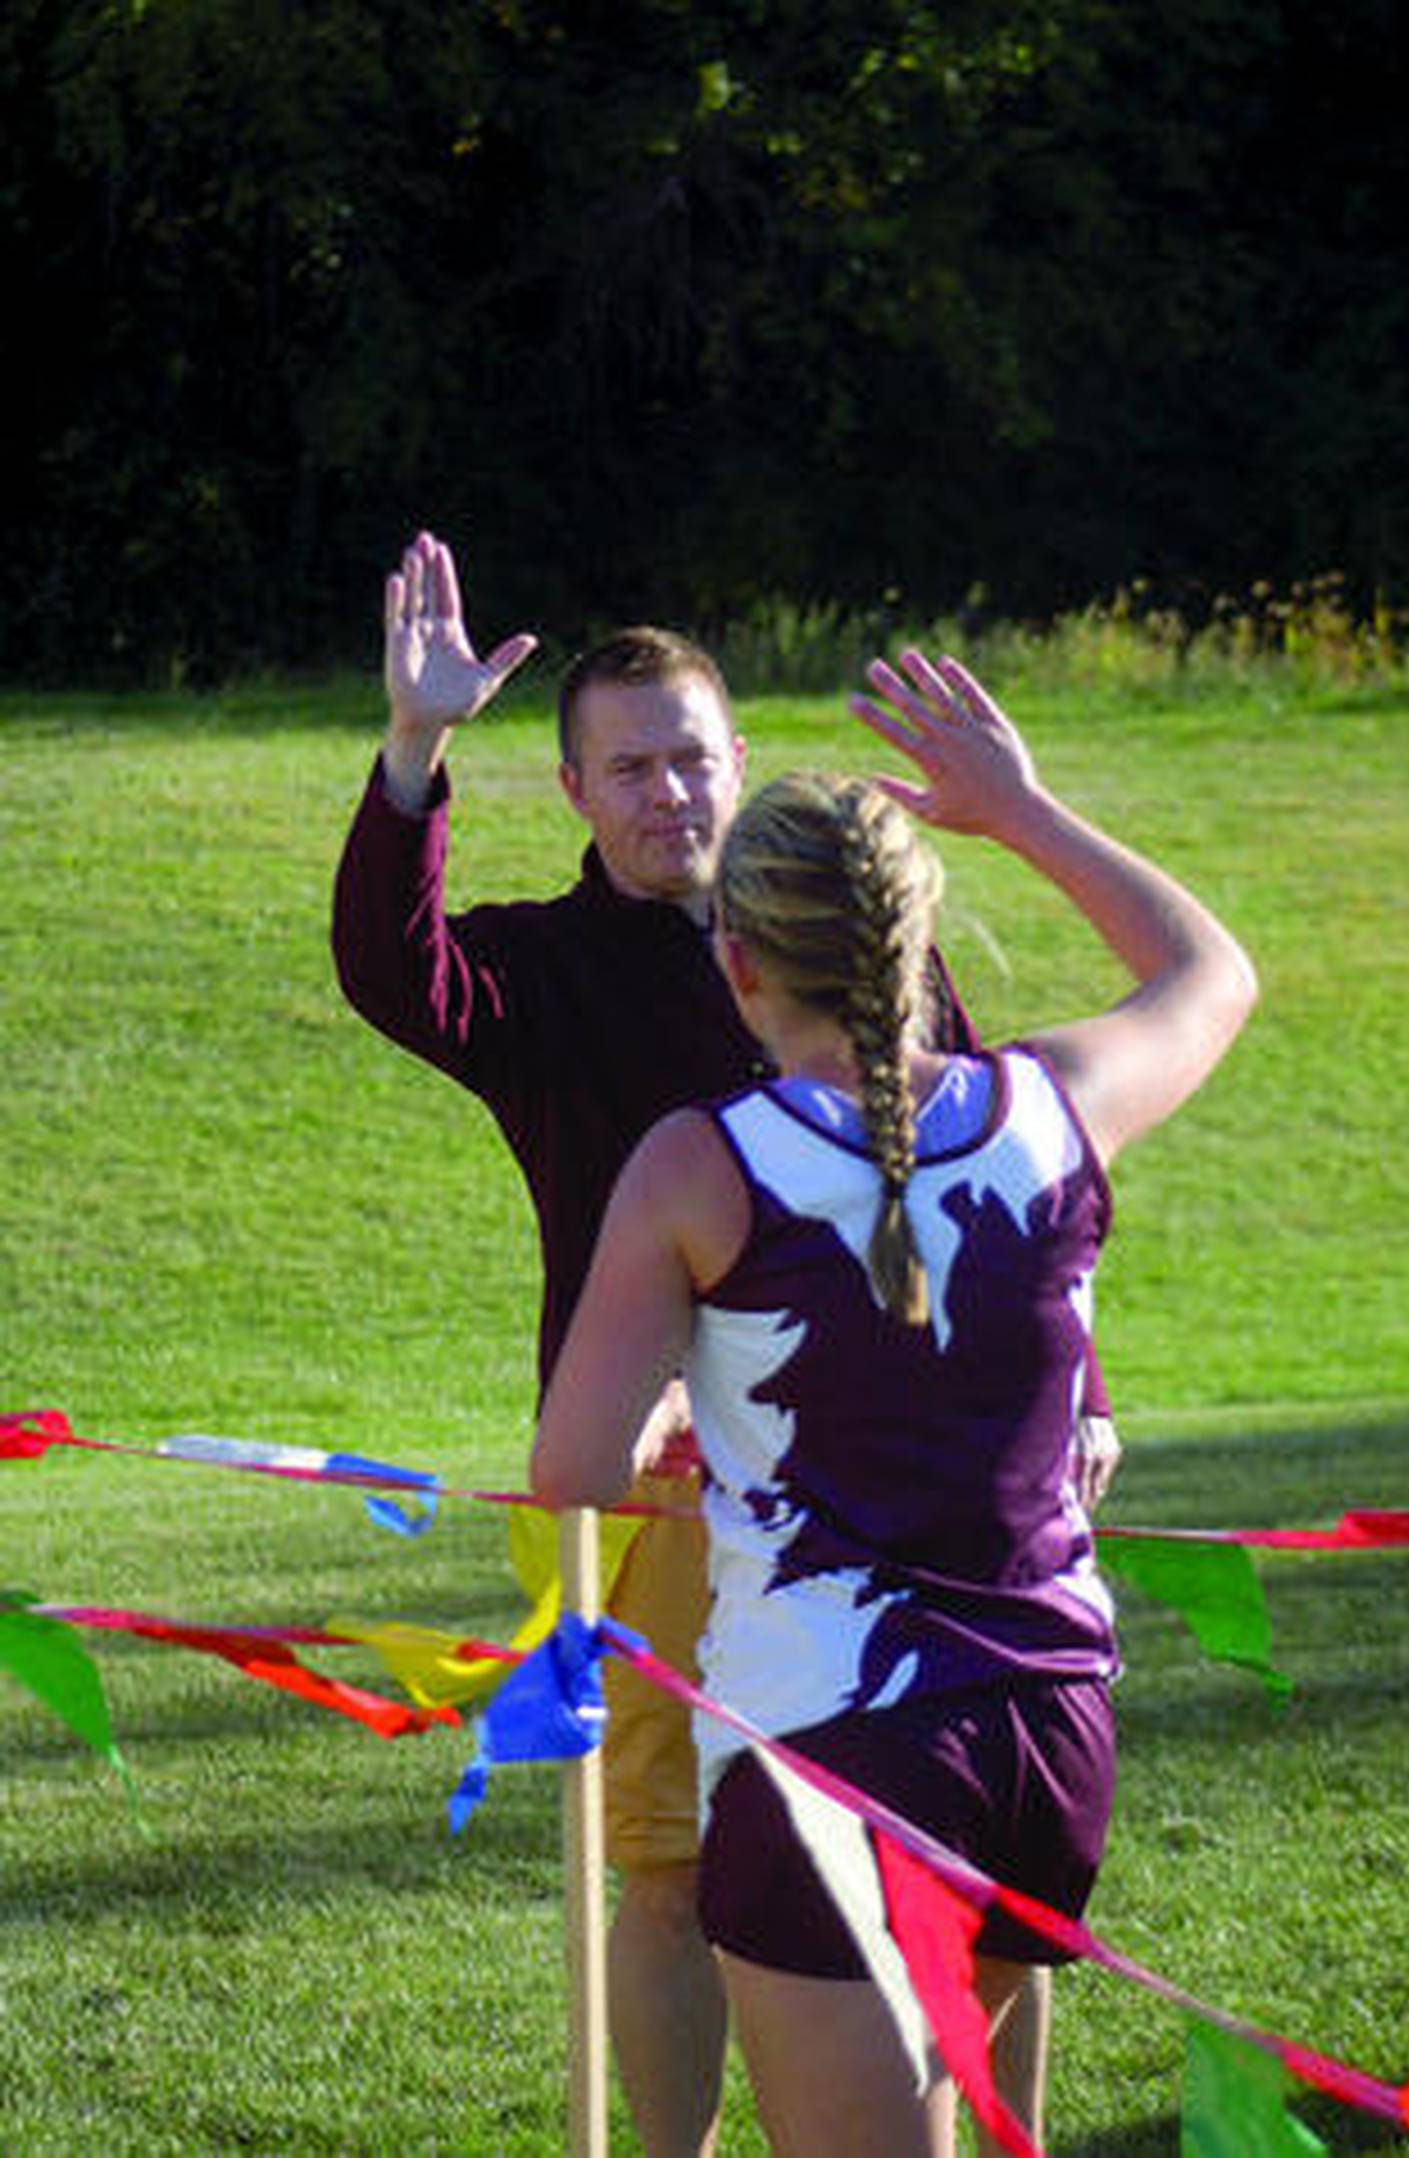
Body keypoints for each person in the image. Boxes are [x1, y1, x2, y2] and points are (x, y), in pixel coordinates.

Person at [333, 536, 1112, 2152]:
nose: (667, 795)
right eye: (628, 767)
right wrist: (414, 754)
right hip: (666, 1499)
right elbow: (390, 972)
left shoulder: (857, 936)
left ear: (736, 758)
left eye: (690, 757)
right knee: (681, 1870)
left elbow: (995, 1184)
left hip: (915, 1502)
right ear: (572, 789)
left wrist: (1082, 1398)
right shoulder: (540, 976)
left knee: (986, 1886)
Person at [531, 649, 1258, 2155]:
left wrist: (684, 1434)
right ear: (917, 941)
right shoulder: (1055, 1099)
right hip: (1051, 1737)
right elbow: (1215, 973)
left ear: (737, 964)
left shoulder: (697, 1162)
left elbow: (572, 1465)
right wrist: (1026, 812)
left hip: (833, 1749)